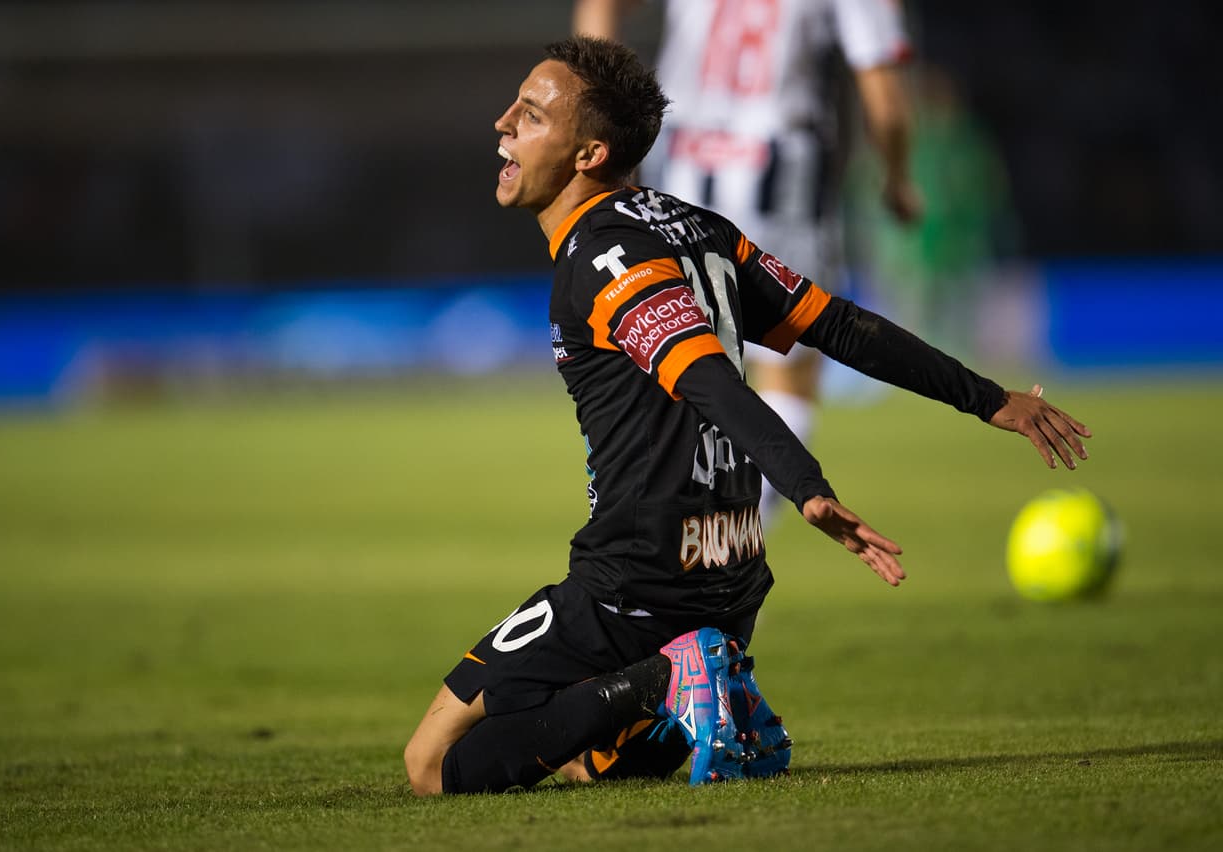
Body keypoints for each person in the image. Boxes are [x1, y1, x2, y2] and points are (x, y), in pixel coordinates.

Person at [403, 36, 1089, 796]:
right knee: (585, 760)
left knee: (433, 765)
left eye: (529, 115)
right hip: (729, 575)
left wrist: (804, 483)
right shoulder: (697, 227)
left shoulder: (606, 259)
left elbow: (707, 379)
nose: (502, 123)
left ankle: (665, 680)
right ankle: (700, 688)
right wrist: (989, 398)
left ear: (590, 151)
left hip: (637, 579)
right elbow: (837, 325)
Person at [574, 0, 923, 525]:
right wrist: (897, 178)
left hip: (682, 160)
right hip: (779, 169)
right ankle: (729, 544)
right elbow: (886, 100)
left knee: (685, 361)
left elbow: (599, 9)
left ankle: (670, 539)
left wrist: (608, 124)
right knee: (790, 373)